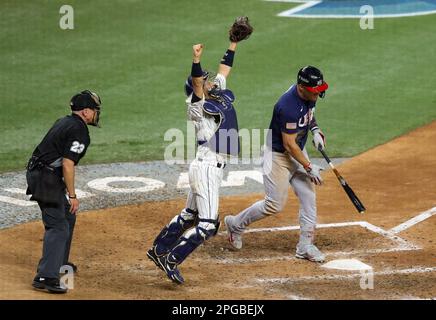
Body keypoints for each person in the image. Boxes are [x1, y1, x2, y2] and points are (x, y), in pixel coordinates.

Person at [147, 18, 253, 284]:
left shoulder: (217, 93)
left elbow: (224, 70)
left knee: (189, 216)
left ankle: (159, 248)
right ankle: (170, 258)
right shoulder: (197, 105)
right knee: (207, 225)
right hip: (207, 167)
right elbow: (196, 83)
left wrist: (233, 43)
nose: (208, 81)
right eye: (204, 80)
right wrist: (195, 59)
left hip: (208, 168)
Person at [224, 66, 329, 262]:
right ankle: (235, 224)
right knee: (274, 204)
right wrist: (308, 166)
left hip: (297, 150)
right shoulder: (287, 106)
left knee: (308, 196)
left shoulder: (308, 95)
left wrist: (315, 130)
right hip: (277, 156)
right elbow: (289, 145)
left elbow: (309, 113)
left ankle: (305, 246)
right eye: (314, 91)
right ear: (301, 87)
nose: (318, 94)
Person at [26, 90, 102, 293]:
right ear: (86, 112)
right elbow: (68, 164)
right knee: (57, 226)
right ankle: (45, 277)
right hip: (45, 178)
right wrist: (73, 195)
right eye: (94, 110)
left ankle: (59, 262)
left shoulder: (66, 121)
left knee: (68, 216)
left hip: (44, 174)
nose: (96, 114)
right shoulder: (80, 131)